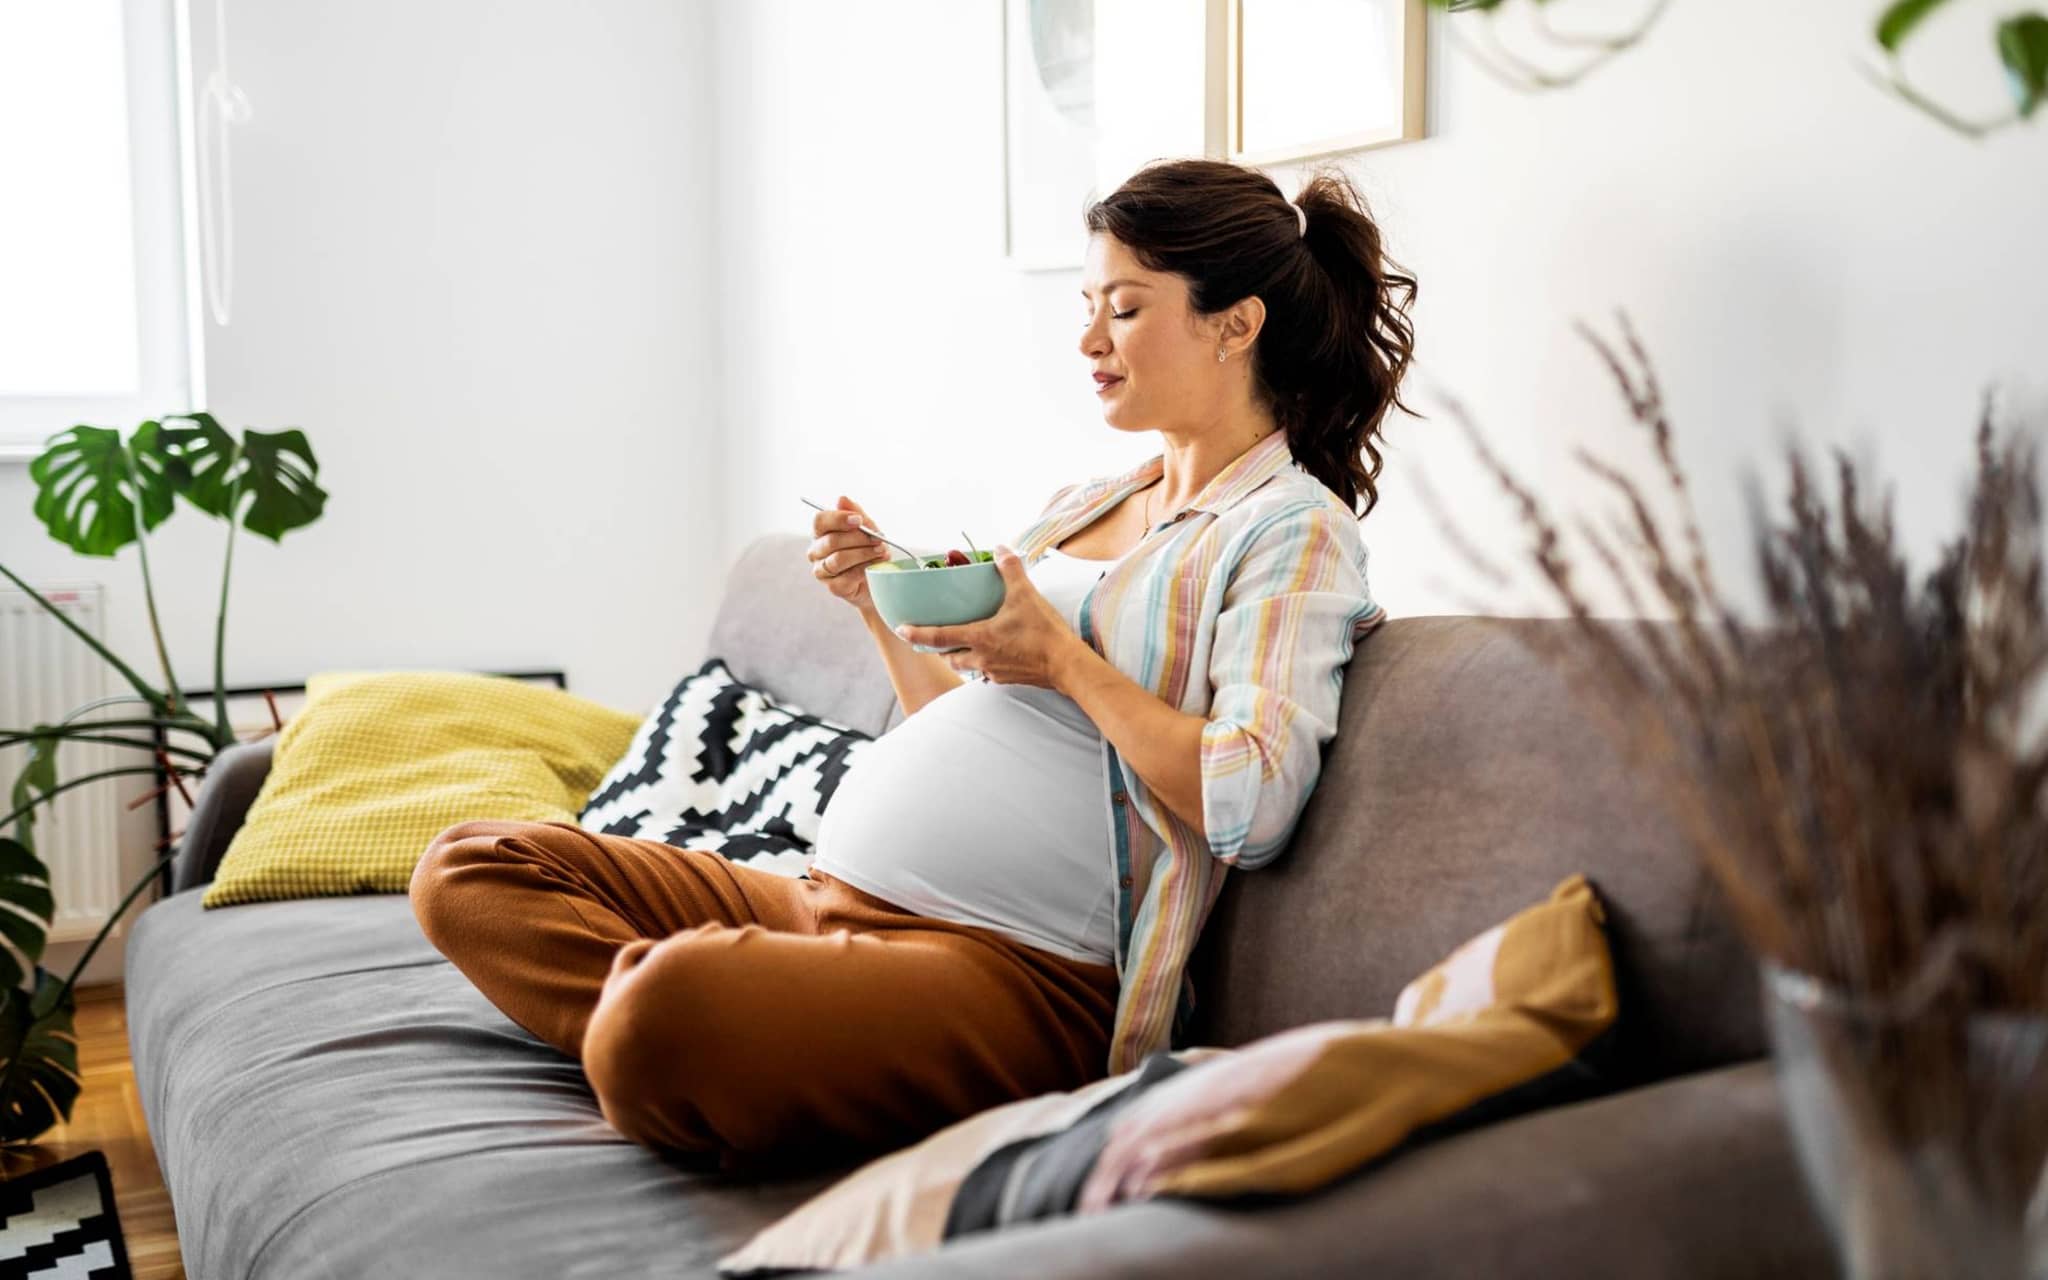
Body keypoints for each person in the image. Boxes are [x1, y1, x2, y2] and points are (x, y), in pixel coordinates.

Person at [409, 157, 1417, 1174]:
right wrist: (875, 606)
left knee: (659, 1011)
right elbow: (968, 721)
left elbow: (1254, 801)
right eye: (1085, 307)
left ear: (1234, 325)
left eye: (1122, 308)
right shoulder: (1089, 502)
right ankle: (758, 1041)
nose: (1087, 340)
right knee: (470, 869)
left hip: (1010, 968)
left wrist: (1065, 661)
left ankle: (704, 1034)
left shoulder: (1289, 529)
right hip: (821, 901)